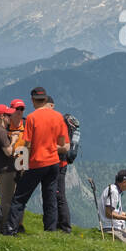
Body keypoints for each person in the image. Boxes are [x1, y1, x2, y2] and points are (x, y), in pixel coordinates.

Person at [2, 87, 70, 235]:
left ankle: (10, 230)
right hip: (54, 164)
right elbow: (64, 145)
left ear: (33, 100)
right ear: (45, 100)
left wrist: (21, 164)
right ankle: (50, 231)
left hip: (37, 163)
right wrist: (51, 147)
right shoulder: (58, 117)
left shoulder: (32, 118)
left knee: (19, 198)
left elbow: (27, 144)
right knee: (50, 197)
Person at [44, 95, 74, 232]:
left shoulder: (59, 122)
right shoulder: (58, 121)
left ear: (51, 105)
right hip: (58, 164)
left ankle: (65, 227)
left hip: (59, 164)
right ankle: (57, 225)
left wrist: (47, 146)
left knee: (59, 195)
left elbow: (64, 145)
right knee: (56, 194)